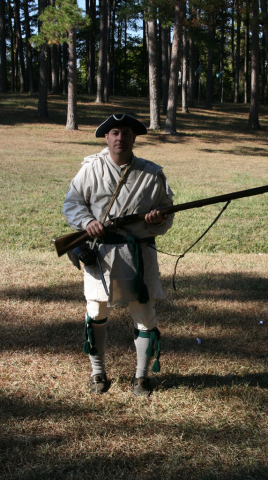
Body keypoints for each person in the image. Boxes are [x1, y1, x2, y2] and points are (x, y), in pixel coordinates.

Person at [62, 113, 174, 396]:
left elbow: (166, 211)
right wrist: (88, 222)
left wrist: (157, 219)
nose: (120, 138)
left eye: (125, 132)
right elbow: (72, 203)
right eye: (114, 133)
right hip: (101, 255)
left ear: (134, 137)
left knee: (144, 316)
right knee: (96, 312)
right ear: (106, 138)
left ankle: (141, 378)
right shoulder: (90, 169)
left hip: (139, 255)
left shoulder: (152, 173)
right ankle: (98, 374)